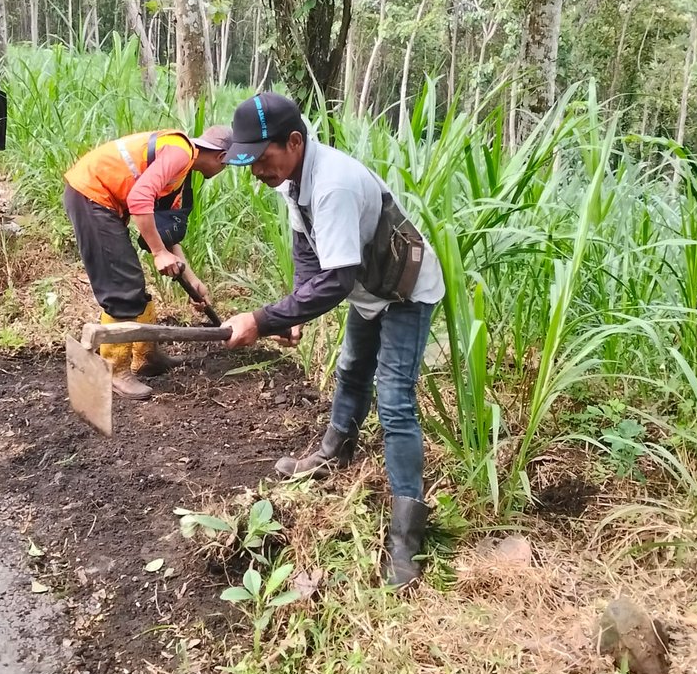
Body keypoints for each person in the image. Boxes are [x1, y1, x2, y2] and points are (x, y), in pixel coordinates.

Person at [220, 93, 444, 587]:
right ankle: (335, 451)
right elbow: (307, 247)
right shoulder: (290, 180)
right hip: (368, 287)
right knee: (350, 369)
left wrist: (262, 319)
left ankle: (407, 534)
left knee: (395, 401)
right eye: (249, 161)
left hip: (404, 291)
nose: (257, 170)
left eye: (261, 158)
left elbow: (337, 281)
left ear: (294, 142)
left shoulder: (333, 185)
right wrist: (293, 309)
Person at [63, 125, 232, 400]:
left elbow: (166, 233)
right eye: (229, 164)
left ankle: (146, 358)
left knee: (131, 283)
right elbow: (139, 198)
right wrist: (157, 253)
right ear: (221, 156)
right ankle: (113, 370)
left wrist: (192, 280)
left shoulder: (181, 172)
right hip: (91, 195)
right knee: (122, 285)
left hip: (101, 200)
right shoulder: (179, 153)